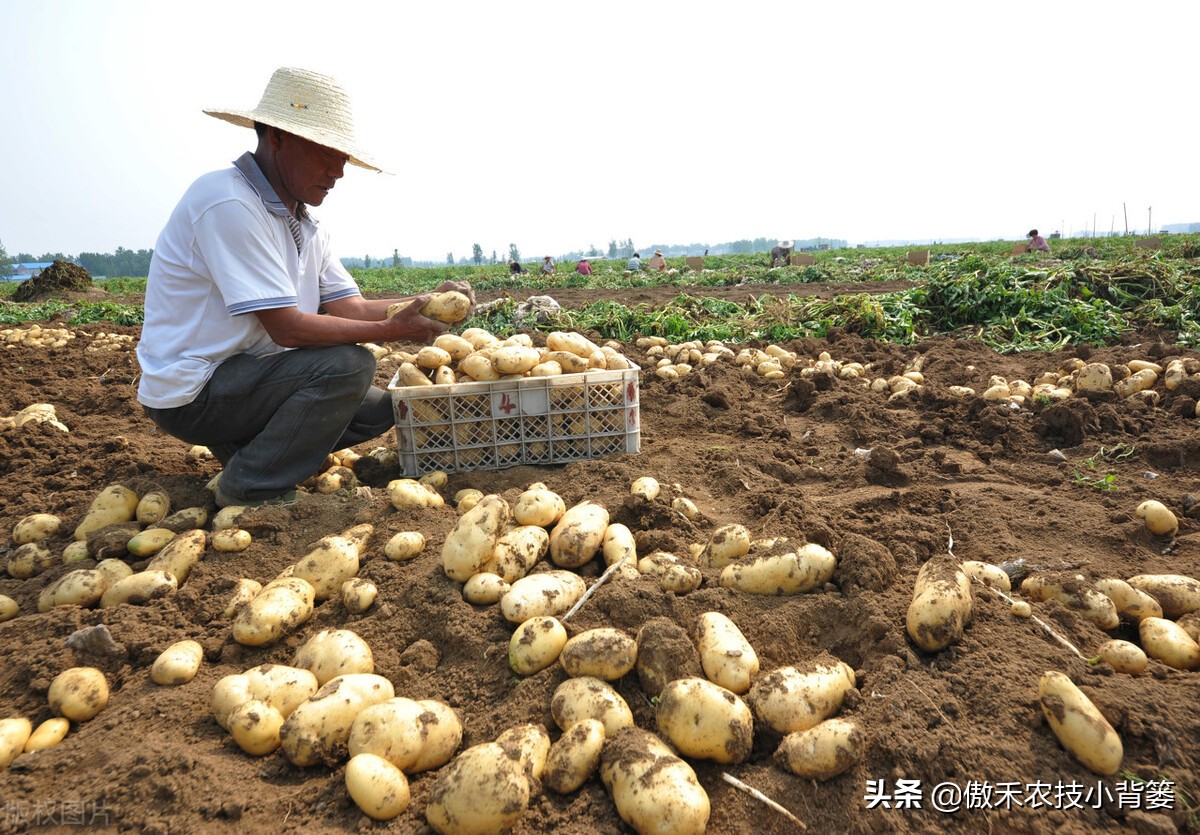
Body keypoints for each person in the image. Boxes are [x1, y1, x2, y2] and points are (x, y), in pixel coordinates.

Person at [136, 67, 472, 508]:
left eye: (343, 158)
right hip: (194, 391)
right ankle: (252, 485)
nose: (338, 172)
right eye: (326, 154)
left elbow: (349, 307)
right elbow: (288, 330)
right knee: (348, 367)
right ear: (276, 137)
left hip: (248, 375)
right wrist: (392, 333)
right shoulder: (229, 202)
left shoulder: (303, 220)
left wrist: (426, 303)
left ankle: (245, 455)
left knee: (384, 408)